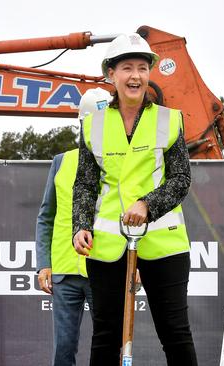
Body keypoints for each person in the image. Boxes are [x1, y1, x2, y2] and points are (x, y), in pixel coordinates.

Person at [72, 33, 198, 365]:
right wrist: (81, 225)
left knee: (175, 334)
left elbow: (181, 179)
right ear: (110, 75)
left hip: (163, 243)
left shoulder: (169, 120)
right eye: (126, 68)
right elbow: (85, 184)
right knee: (105, 337)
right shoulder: (92, 125)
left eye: (142, 68)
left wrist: (147, 204)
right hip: (108, 245)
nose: (135, 76)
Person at [36, 87, 112, 366]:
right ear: (82, 123)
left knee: (108, 345)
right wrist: (44, 263)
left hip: (105, 268)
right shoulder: (61, 162)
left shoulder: (120, 164)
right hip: (65, 272)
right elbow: (46, 216)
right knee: (63, 350)